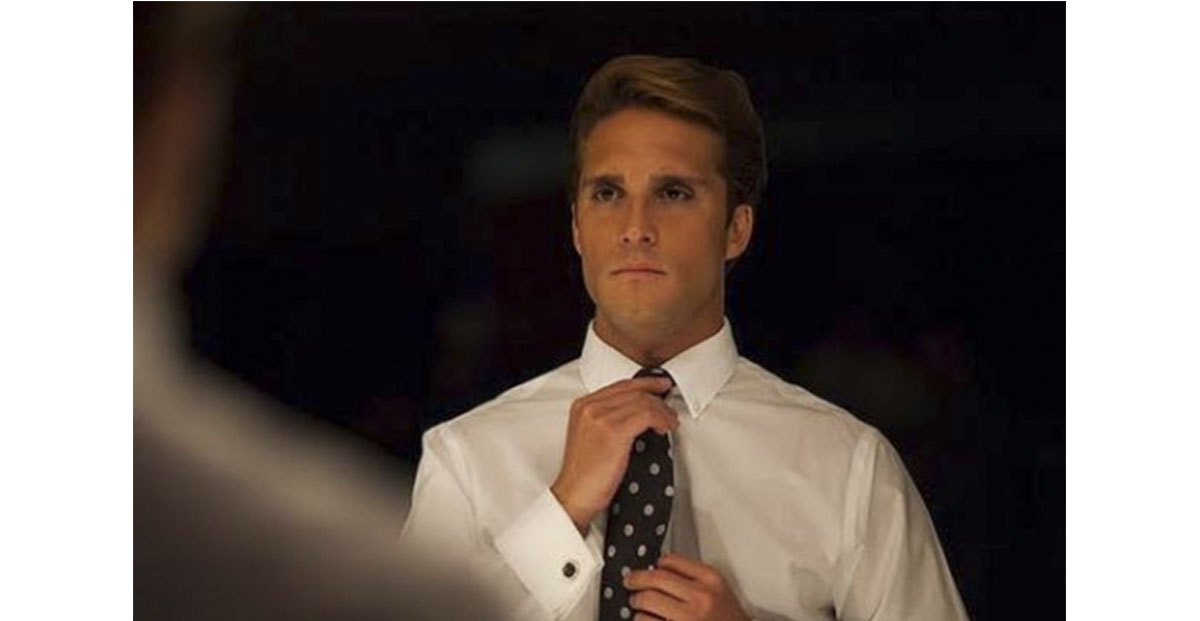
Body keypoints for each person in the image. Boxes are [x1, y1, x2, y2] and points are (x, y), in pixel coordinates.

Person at [399, 54, 969, 621]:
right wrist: (562, 509)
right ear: (576, 226)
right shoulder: (467, 459)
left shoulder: (849, 467)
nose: (635, 228)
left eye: (673, 193)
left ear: (736, 230)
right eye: (608, 193)